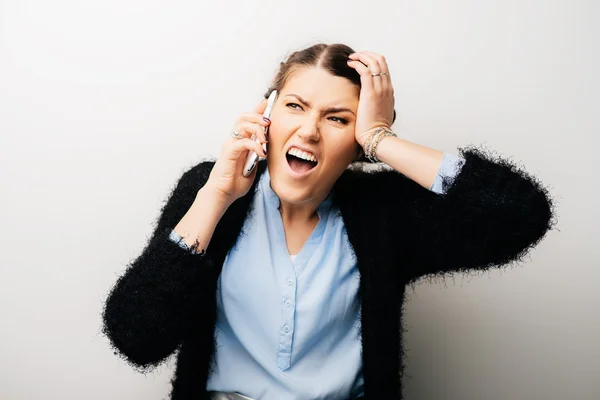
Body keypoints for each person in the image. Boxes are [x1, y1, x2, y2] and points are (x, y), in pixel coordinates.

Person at [102, 43, 555, 400]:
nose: (309, 131)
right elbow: (136, 337)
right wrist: (215, 197)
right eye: (295, 106)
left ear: (357, 144)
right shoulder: (212, 191)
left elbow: (521, 215)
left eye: (338, 119)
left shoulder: (383, 214)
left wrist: (382, 140)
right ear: (267, 116)